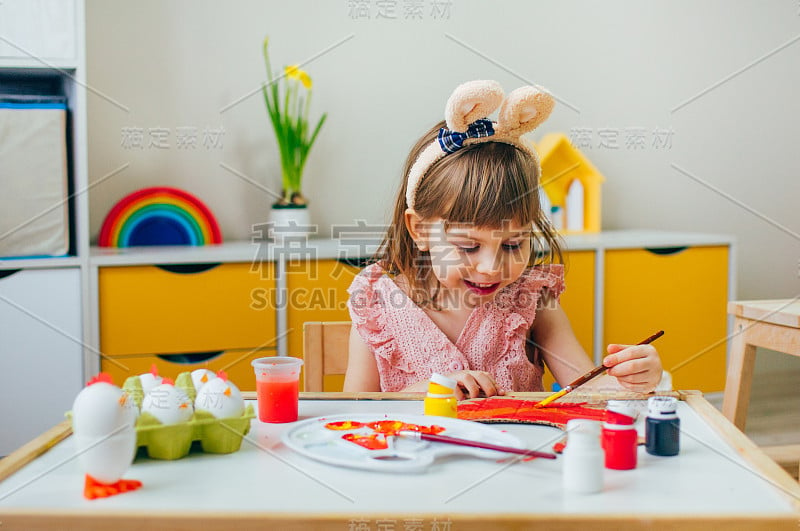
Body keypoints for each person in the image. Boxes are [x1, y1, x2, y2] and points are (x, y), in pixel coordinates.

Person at [343, 80, 665, 400]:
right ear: (420, 230)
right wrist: (429, 391)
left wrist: (633, 381)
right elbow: (355, 410)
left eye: (513, 245)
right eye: (468, 246)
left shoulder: (534, 300)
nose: (490, 267)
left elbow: (586, 390)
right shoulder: (377, 305)